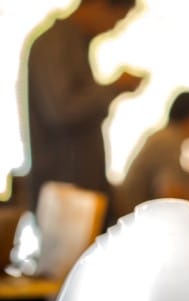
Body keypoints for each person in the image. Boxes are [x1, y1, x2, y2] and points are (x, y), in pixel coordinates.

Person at [22, 0, 145, 226]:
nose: (114, 27)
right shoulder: (55, 43)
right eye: (117, 19)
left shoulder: (76, 43)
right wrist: (114, 87)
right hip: (65, 190)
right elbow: (61, 111)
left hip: (78, 187)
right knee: (68, 260)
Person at [115, 90, 189, 222]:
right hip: (137, 221)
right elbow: (168, 192)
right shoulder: (169, 141)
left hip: (133, 214)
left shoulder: (165, 135)